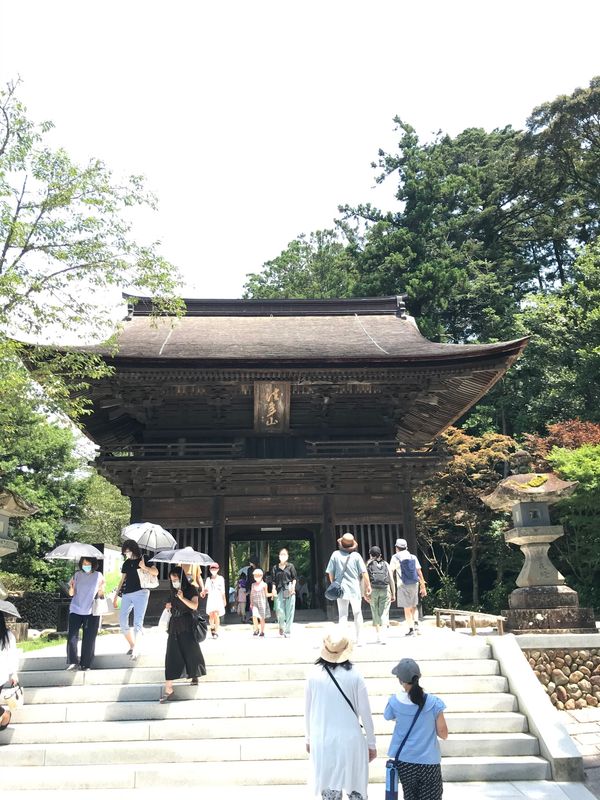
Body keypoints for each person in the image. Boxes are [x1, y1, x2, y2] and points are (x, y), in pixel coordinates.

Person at [305, 631, 376, 800]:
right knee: (356, 790)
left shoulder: (313, 676)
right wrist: (371, 743)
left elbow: (307, 711)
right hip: (351, 740)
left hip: (323, 740)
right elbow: (365, 712)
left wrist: (308, 738)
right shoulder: (356, 675)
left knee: (329, 792)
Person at [384, 657, 448, 800]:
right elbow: (443, 734)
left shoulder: (395, 701)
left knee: (410, 796)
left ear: (400, 680)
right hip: (429, 762)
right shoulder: (434, 703)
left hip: (405, 761)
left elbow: (387, 716)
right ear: (418, 677)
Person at [160, 566, 206, 702]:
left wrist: (182, 598)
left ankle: (194, 674)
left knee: (191, 651)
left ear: (181, 578)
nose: (174, 581)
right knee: (171, 653)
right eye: (172, 579)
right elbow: (169, 604)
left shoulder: (191, 589)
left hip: (187, 624)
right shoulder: (172, 591)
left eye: (176, 579)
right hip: (174, 625)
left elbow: (194, 606)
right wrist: (168, 606)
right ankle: (169, 687)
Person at [113, 539, 159, 658]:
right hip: (127, 593)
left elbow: (156, 572)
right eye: (125, 552)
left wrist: (144, 567)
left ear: (133, 549)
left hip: (141, 592)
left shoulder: (145, 558)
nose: (126, 553)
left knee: (138, 622)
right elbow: (122, 580)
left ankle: (136, 649)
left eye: (128, 551)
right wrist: (116, 596)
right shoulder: (126, 563)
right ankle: (132, 645)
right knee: (122, 620)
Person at [326, 532, 371, 646]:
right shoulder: (356, 556)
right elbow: (364, 572)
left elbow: (330, 572)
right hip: (354, 588)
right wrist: (368, 586)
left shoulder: (335, 554)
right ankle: (359, 639)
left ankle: (343, 640)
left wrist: (334, 583)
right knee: (357, 613)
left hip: (341, 589)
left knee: (342, 614)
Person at [66, 556, 106, 671]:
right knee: (72, 636)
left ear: (93, 564)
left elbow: (102, 593)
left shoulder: (98, 575)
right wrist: (72, 586)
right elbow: (71, 593)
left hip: (92, 610)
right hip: (76, 608)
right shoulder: (77, 575)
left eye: (88, 563)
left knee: (89, 638)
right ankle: (73, 661)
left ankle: (86, 664)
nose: (86, 566)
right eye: (84, 563)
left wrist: (101, 587)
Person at [390, 538, 427, 637]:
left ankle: (411, 629)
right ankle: (416, 624)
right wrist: (423, 586)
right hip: (414, 583)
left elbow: (390, 572)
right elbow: (419, 572)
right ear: (406, 547)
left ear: (397, 548)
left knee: (407, 608)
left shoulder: (395, 557)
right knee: (414, 605)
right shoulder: (412, 556)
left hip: (402, 584)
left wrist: (390, 588)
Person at [365, 546, 395, 645]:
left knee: (375, 611)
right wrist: (393, 593)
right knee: (384, 612)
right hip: (385, 589)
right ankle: (384, 636)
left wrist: (364, 593)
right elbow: (391, 579)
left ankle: (378, 635)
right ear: (380, 554)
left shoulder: (368, 564)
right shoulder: (386, 563)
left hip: (373, 590)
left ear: (370, 554)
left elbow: (364, 579)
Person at [272, 547, 297, 637]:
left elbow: (294, 578)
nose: (283, 556)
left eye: (284, 554)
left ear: (287, 556)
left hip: (288, 589)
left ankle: (288, 631)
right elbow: (274, 580)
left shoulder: (290, 566)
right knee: (279, 609)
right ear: (279, 556)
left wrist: (293, 587)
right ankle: (281, 625)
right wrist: (273, 589)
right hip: (279, 590)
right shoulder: (275, 568)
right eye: (281, 554)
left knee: (289, 609)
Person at [0, 610, 18, 732]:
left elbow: (13, 655)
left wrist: (14, 673)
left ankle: (5, 715)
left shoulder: (7, 636)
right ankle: (4, 715)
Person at [201, 562, 226, 638]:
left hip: (218, 598)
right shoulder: (208, 579)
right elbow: (206, 590)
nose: (213, 570)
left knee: (216, 614)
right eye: (212, 568)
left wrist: (224, 599)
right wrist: (203, 592)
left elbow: (223, 590)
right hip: (211, 599)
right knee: (211, 615)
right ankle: (212, 628)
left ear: (218, 569)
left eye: (215, 568)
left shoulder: (221, 578)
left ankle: (216, 631)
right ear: (210, 570)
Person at [249, 567, 271, 637]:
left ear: (261, 576)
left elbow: (266, 594)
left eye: (258, 575)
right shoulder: (253, 585)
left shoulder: (264, 585)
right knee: (254, 616)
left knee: (262, 618)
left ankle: (262, 631)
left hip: (262, 603)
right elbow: (251, 594)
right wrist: (251, 603)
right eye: (255, 575)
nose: (257, 577)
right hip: (255, 603)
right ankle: (256, 629)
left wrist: (273, 594)